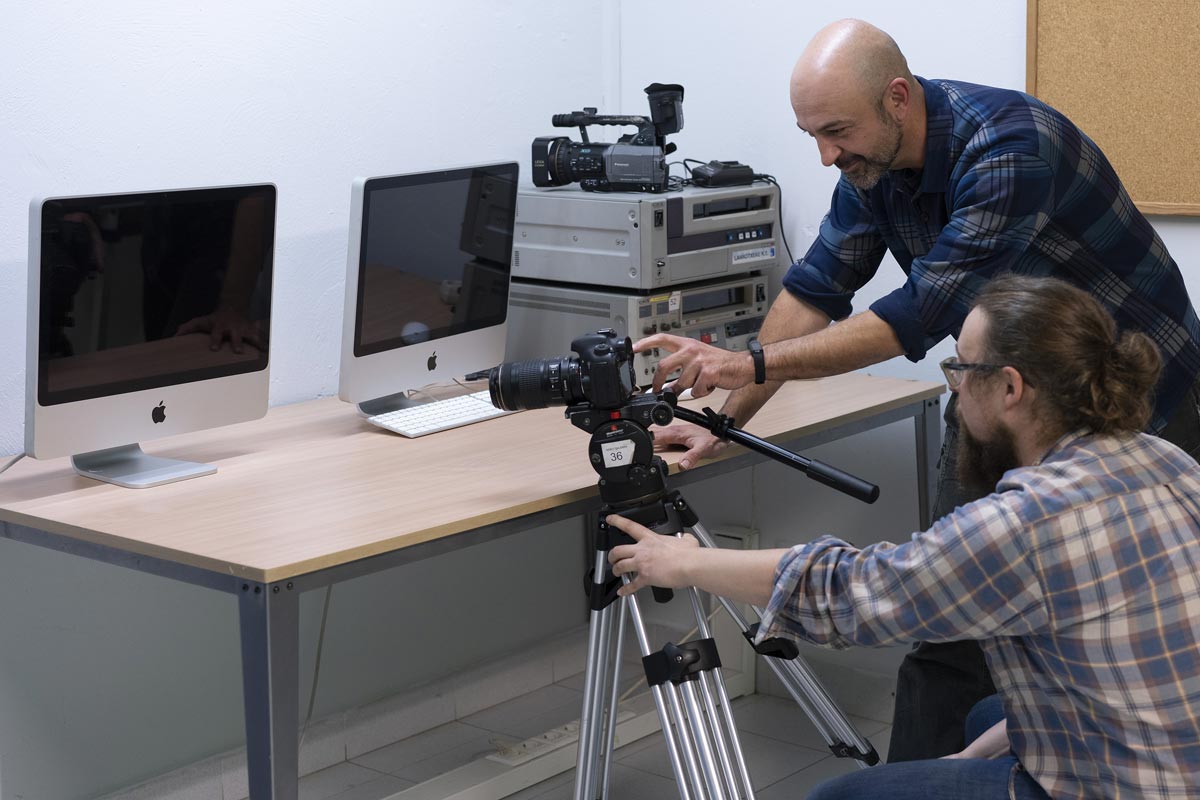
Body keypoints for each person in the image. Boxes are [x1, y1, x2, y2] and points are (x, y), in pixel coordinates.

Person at [636, 18, 1200, 761]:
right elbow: (817, 288)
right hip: (998, 392)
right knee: (950, 631)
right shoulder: (872, 170)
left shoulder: (1010, 148)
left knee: (1127, 614)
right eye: (811, 135)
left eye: (836, 131)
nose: (826, 155)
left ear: (897, 98)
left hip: (1142, 392)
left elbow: (917, 315)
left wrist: (744, 365)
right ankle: (938, 777)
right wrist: (722, 417)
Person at [609, 275, 1200, 799]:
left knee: (835, 798)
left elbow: (854, 592)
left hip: (1122, 786)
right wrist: (971, 760)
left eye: (961, 369)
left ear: (1011, 389)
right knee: (985, 720)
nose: (955, 386)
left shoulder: (1024, 522)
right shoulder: (1163, 458)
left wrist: (684, 563)